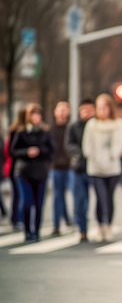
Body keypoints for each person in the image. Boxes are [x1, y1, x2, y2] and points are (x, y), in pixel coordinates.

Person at [82, 93, 122, 241]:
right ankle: (100, 226)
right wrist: (92, 157)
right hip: (95, 167)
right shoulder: (92, 124)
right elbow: (87, 145)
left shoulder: (118, 123)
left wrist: (113, 155)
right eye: (99, 107)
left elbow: (120, 144)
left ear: (110, 108)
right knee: (100, 198)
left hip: (112, 166)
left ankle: (108, 226)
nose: (102, 110)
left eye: (104, 107)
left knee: (109, 198)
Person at [10, 103, 54, 241]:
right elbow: (12, 151)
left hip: (40, 171)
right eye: (33, 115)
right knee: (27, 202)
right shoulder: (21, 131)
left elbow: (52, 151)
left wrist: (40, 151)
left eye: (38, 115)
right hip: (23, 172)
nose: (36, 118)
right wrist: (26, 152)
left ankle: (37, 231)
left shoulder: (45, 132)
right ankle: (27, 231)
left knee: (39, 203)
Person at [66, 98, 95, 242]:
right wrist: (79, 152)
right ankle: (82, 229)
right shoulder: (74, 126)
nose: (86, 113)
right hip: (78, 168)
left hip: (95, 168)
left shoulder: (97, 125)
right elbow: (69, 144)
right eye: (84, 110)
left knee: (95, 200)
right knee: (79, 200)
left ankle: (99, 225)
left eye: (89, 110)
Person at [49, 101, 73, 235]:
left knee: (73, 194)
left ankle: (71, 220)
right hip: (56, 166)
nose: (63, 112)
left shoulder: (71, 128)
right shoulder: (51, 129)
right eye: (60, 109)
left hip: (70, 166)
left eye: (65, 109)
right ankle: (56, 224)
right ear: (55, 112)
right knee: (58, 195)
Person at [4, 107, 27, 230]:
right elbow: (10, 151)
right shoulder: (17, 131)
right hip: (16, 167)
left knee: (17, 195)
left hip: (16, 167)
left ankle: (16, 218)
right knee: (19, 195)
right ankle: (17, 218)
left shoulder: (14, 130)